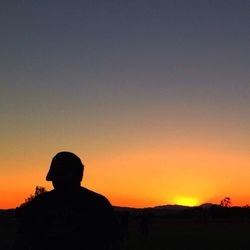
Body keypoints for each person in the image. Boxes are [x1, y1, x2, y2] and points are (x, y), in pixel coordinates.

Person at [12, 151, 120, 250]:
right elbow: (24, 239)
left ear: (79, 176)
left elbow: (112, 241)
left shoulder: (98, 204)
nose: (59, 181)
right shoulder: (41, 203)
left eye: (63, 175)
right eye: (57, 176)